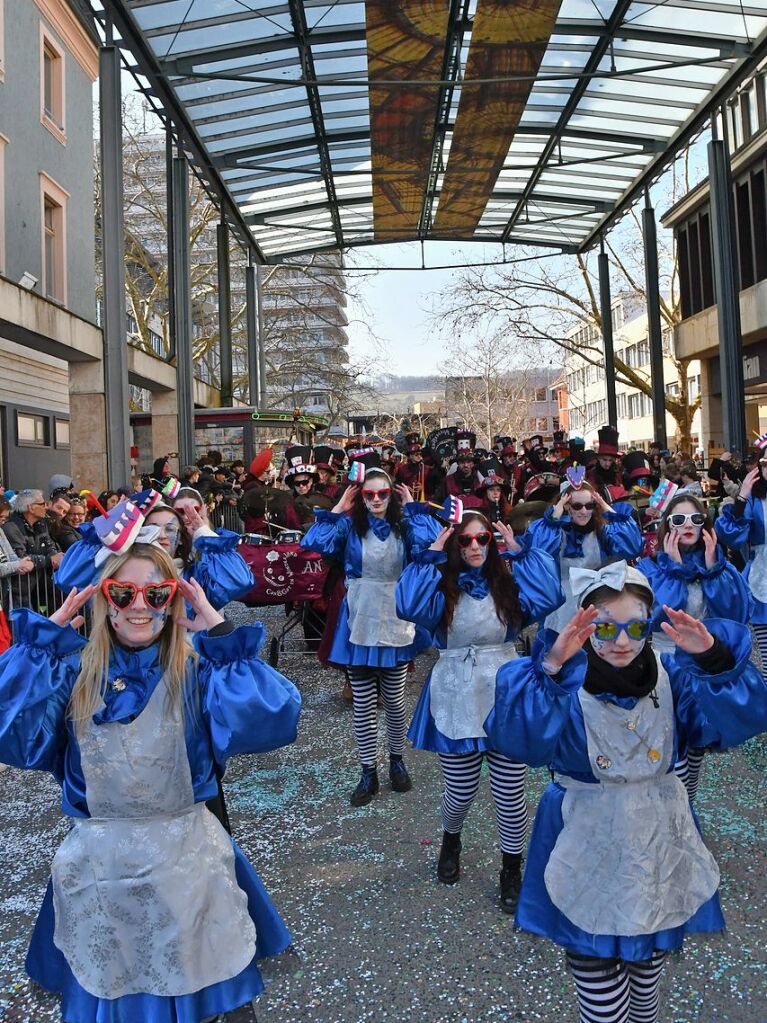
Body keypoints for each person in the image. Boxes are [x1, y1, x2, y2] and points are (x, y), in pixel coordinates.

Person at [0, 530, 301, 1023]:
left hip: (189, 872)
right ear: (104, 599)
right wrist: (39, 649)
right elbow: (9, 729)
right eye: (123, 592)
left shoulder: (199, 669)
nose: (139, 607)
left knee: (202, 1001)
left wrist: (221, 633)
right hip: (101, 878)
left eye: (156, 593)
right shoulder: (70, 673)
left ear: (172, 600)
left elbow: (273, 718)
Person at [485, 561, 767, 1023]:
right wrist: (551, 669)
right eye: (606, 627)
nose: (621, 641)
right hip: (583, 833)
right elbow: (517, 741)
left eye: (636, 626)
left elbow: (733, 723)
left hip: (656, 834)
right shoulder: (558, 683)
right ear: (584, 624)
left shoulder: (672, 677)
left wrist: (714, 660)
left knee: (646, 975)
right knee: (597, 977)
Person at [395, 513, 563, 911]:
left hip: (505, 695)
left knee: (510, 793)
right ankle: (451, 839)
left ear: (492, 542)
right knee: (460, 791)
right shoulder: (440, 589)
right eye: (465, 540)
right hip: (456, 693)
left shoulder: (508, 586)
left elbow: (551, 595)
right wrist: (429, 556)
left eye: (482, 538)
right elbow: (407, 605)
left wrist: (523, 553)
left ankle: (511, 867)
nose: (473, 546)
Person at [301, 459, 438, 805]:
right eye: (369, 494)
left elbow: (432, 545)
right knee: (363, 703)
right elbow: (313, 543)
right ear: (361, 496)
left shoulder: (405, 526)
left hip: (395, 616)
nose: (376, 499)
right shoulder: (349, 527)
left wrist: (414, 511)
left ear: (392, 495)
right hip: (360, 618)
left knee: (393, 701)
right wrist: (338, 507)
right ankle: (367, 771)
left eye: (383, 493)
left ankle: (396, 761)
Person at [638, 493, 751, 800]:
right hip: (662, 667)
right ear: (666, 526)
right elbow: (655, 618)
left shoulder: (719, 568)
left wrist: (714, 570)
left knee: (696, 744)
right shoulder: (650, 569)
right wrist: (673, 570)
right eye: (678, 519)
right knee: (664, 744)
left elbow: (735, 617)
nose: (688, 525)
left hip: (701, 667)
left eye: (695, 519)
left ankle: (685, 816)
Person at [56, 490, 255, 611]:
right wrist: (107, 539)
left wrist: (205, 534)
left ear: (180, 540)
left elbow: (239, 581)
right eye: (151, 529)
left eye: (170, 529)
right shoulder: (117, 575)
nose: (161, 535)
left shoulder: (193, 579)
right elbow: (68, 579)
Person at [525, 476, 643, 633]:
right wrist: (553, 518)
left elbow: (632, 547)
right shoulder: (554, 533)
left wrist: (608, 509)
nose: (584, 511)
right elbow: (537, 553)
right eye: (577, 505)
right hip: (562, 607)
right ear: (566, 505)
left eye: (589, 505)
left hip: (598, 602)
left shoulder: (603, 530)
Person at [715, 455, 767, 674]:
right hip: (763, 580)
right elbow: (730, 535)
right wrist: (742, 497)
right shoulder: (755, 500)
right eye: (765, 464)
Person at [2, 489, 63, 610]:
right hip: (18, 591)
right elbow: (22, 558)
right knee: (20, 628)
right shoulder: (12, 527)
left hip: (38, 590)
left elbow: (50, 546)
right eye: (42, 504)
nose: (46, 507)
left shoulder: (41, 524)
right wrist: (49, 561)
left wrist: (56, 558)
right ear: (31, 508)